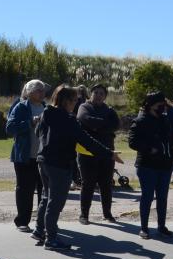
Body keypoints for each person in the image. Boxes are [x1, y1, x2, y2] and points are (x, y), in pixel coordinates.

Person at [32, 85, 122, 250]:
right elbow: (86, 140)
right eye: (74, 100)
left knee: (46, 197)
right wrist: (109, 153)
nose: (76, 103)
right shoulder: (68, 119)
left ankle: (39, 230)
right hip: (59, 164)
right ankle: (51, 239)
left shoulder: (46, 113)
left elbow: (38, 132)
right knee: (55, 201)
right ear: (66, 101)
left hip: (43, 160)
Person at [127, 92, 173, 239]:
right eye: (159, 104)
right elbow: (132, 142)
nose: (162, 107)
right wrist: (149, 149)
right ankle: (144, 228)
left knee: (162, 197)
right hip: (147, 165)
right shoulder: (140, 120)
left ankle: (161, 226)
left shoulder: (166, 120)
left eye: (163, 104)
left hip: (165, 165)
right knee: (147, 197)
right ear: (150, 105)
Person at [76, 84, 120, 224]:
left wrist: (95, 127)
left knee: (106, 184)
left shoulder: (109, 110)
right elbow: (85, 119)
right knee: (87, 184)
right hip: (86, 153)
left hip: (107, 153)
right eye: (96, 92)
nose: (98, 95)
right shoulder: (84, 107)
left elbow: (116, 125)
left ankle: (107, 214)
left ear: (105, 96)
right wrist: (105, 126)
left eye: (101, 93)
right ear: (91, 94)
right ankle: (84, 215)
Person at [6, 79, 46, 232]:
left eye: (43, 90)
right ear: (29, 92)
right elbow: (10, 128)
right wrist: (30, 122)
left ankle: (42, 222)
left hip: (43, 157)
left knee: (44, 191)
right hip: (24, 156)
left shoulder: (46, 108)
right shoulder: (21, 107)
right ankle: (22, 221)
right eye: (38, 90)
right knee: (25, 190)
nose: (42, 93)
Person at [70, 85, 89, 190]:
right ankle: (78, 180)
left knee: (76, 158)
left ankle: (76, 180)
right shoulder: (86, 103)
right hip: (80, 131)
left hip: (78, 131)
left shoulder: (80, 102)